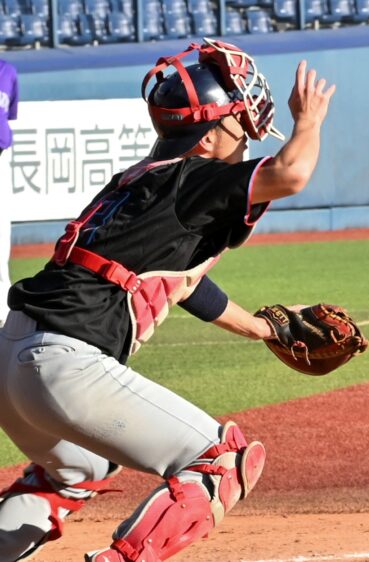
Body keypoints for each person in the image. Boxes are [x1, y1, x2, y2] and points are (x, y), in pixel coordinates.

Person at [0, 39, 335, 561]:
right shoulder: (190, 179)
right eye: (237, 122)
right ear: (207, 137)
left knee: (78, 471)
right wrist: (308, 122)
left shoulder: (140, 182)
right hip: (63, 364)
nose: (247, 135)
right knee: (222, 460)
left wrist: (263, 328)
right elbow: (291, 173)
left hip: (11, 362)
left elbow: (181, 283)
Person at [0, 58, 18, 330]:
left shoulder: (7, 70)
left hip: (0, 156)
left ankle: (2, 309)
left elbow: (9, 116)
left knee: (1, 235)